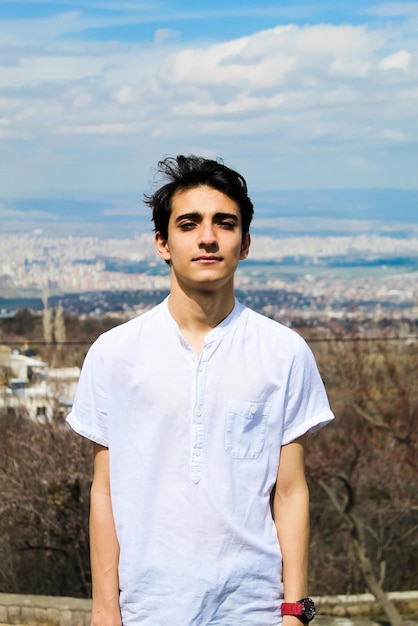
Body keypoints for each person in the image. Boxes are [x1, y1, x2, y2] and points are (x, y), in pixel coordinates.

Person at [67, 154, 334, 626]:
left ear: (245, 243)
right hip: (146, 608)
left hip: (254, 608)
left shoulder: (284, 352)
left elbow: (290, 492)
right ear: (162, 243)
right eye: (188, 224)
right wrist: (104, 610)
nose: (207, 237)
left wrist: (296, 613)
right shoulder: (115, 353)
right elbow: (105, 491)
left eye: (224, 223)